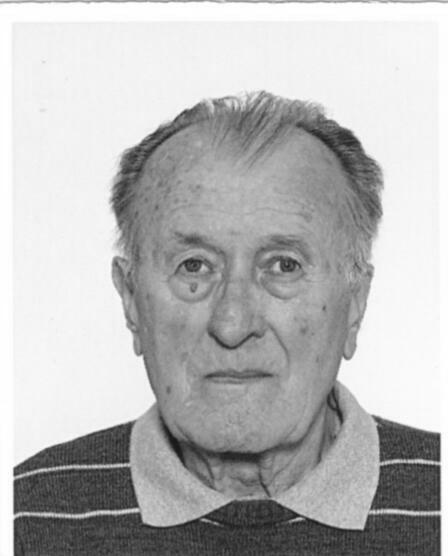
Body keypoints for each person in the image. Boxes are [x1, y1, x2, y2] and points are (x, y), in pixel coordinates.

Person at [14, 91, 440, 555]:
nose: (232, 325)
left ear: (355, 302)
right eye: (194, 266)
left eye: (284, 266)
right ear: (131, 300)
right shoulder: (24, 518)